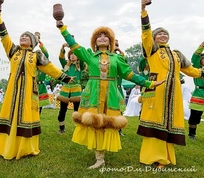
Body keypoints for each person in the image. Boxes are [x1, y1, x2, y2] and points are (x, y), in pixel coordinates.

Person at [55, 19, 164, 169]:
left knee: (108, 122)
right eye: (99, 35)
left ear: (110, 40)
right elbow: (74, 45)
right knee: (94, 122)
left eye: (105, 36)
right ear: (94, 40)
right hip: (93, 93)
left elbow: (129, 74)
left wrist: (148, 83)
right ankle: (99, 157)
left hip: (111, 94)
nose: (102, 37)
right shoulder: (89, 55)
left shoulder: (117, 58)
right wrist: (63, 29)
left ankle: (102, 154)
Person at [0, 5, 73, 160]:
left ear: (33, 42)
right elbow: (4, 36)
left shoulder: (36, 56)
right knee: (10, 114)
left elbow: (50, 68)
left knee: (26, 115)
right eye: (21, 36)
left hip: (29, 90)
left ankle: (25, 148)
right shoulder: (13, 51)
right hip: (12, 90)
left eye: (26, 37)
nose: (23, 38)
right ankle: (7, 147)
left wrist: (65, 77)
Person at [137, 0, 204, 168]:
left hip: (173, 93)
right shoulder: (151, 50)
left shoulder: (176, 54)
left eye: (165, 33)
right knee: (156, 121)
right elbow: (145, 34)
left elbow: (190, 70)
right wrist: (144, 11)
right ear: (154, 37)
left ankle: (165, 157)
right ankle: (152, 156)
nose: (163, 35)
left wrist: (201, 72)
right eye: (159, 33)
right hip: (156, 90)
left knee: (168, 122)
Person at [57, 42, 85, 134]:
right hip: (65, 90)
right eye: (71, 54)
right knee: (62, 110)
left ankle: (78, 129)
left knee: (77, 110)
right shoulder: (66, 65)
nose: (72, 56)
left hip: (76, 91)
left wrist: (73, 43)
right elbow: (61, 58)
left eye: (74, 54)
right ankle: (61, 128)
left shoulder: (80, 66)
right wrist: (62, 47)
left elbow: (81, 57)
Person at [188, 42, 204, 140]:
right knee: (195, 116)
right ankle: (191, 134)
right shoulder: (197, 69)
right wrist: (201, 47)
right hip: (198, 95)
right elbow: (194, 58)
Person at [35, 32, 52, 114]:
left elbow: (46, 54)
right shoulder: (32, 65)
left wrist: (40, 44)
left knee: (40, 104)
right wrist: (34, 39)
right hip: (32, 85)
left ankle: (38, 117)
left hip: (41, 86)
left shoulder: (44, 66)